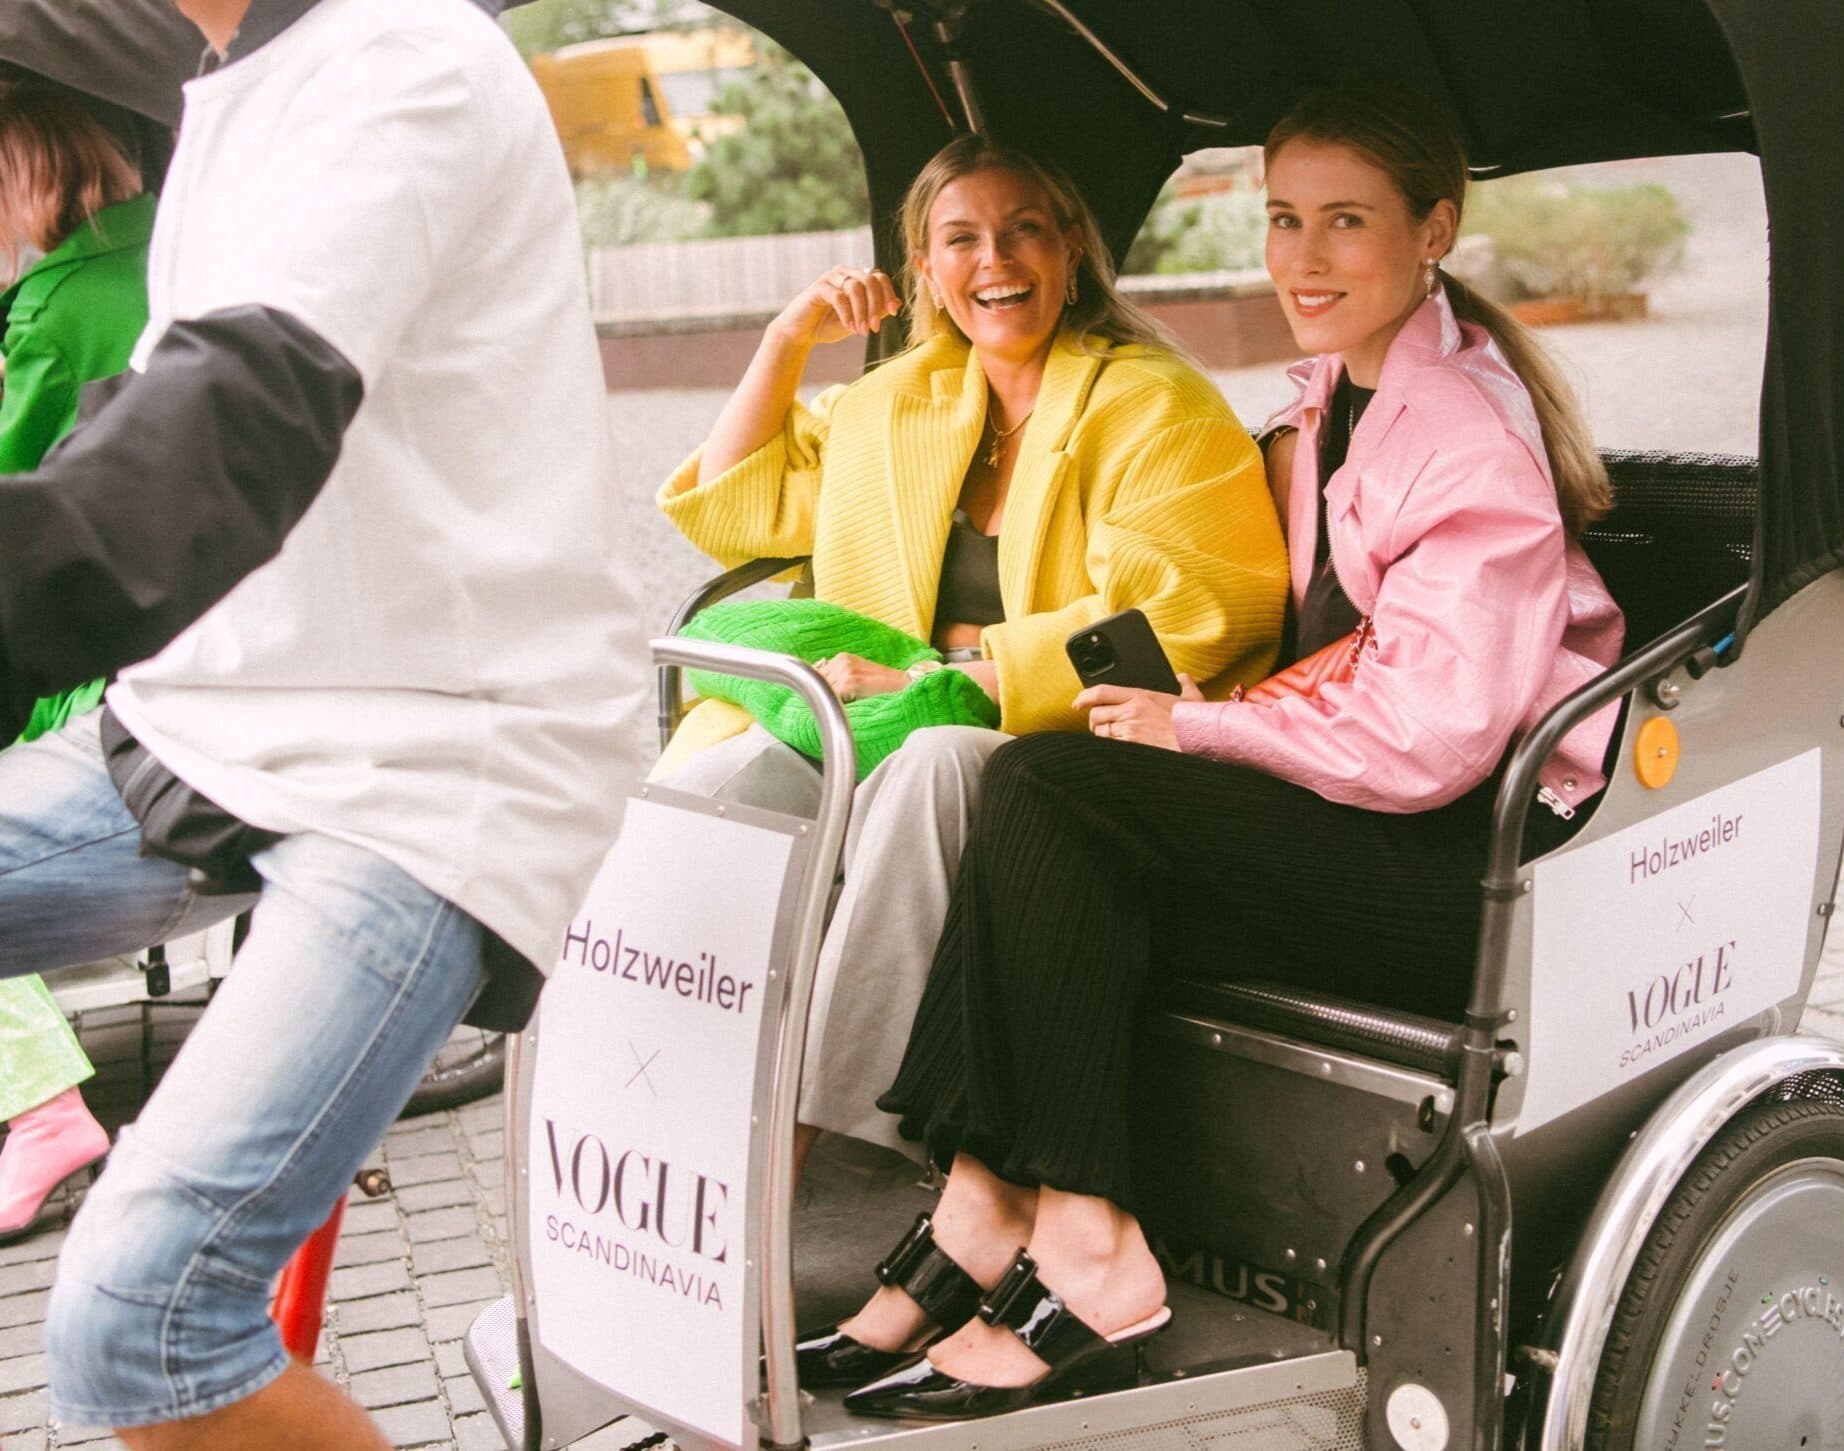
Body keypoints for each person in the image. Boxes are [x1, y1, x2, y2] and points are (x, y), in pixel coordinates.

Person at [827, 89, 1628, 1421]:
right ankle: (985, 1201)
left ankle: (1080, 1242)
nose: (1301, 257)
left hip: (1470, 863)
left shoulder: (1463, 436)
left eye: (1345, 221)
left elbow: (1430, 737)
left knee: (1052, 791)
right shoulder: (1337, 398)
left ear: (1433, 229)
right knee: (1035, 792)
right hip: (1372, 811)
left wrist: (1197, 726)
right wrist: (1191, 699)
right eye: (1282, 218)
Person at [0, 1, 647, 1447]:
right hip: (209, 717)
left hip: (428, 761)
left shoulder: (400, 62)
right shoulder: (233, 81)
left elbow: (213, 439)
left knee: (140, 1322)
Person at [655, 133, 1287, 1191]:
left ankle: (789, 1155)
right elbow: (734, 505)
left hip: (1056, 737)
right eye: (961, 238)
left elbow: (1187, 611)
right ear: (925, 268)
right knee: (715, 789)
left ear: (1072, 249)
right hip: (877, 711)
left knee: (932, 759)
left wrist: (954, 680)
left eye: (1022, 229)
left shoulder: (1156, 404)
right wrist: (785, 338)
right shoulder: (893, 400)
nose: (994, 259)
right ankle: (648, 1096)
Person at [0, 79, 157, 1240]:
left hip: (83, 656)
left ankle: (43, 1102)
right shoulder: (178, 252)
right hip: (165, 621)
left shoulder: (50, 315)